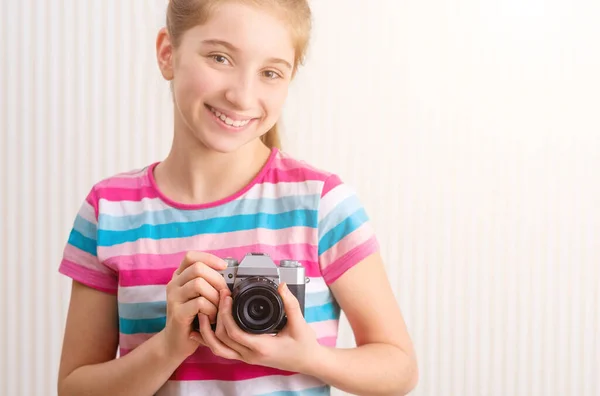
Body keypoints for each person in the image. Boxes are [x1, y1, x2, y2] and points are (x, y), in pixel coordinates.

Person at [56, 0, 419, 395]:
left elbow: (398, 369)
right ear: (167, 54)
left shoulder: (321, 206)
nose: (243, 96)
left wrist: (305, 357)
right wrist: (169, 346)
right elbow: (75, 388)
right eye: (220, 57)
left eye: (270, 72)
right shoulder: (109, 210)